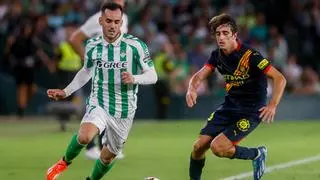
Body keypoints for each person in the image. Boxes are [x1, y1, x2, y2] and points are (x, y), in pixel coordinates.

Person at [46, 2, 157, 180]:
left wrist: (135, 78)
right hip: (99, 101)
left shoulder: (136, 46)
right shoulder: (92, 45)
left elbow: (153, 75)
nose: (112, 25)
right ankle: (62, 163)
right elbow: (86, 71)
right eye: (108, 21)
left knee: (107, 157)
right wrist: (66, 92)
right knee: (84, 136)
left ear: (121, 23)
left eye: (116, 21)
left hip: (124, 109)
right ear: (101, 21)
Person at [186, 13, 286, 180]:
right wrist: (191, 88)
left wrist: (273, 104)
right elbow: (199, 76)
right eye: (218, 34)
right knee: (198, 147)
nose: (221, 37)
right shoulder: (216, 55)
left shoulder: (250, 56)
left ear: (235, 35)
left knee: (218, 148)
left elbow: (279, 78)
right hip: (229, 106)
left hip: (251, 110)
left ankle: (256, 154)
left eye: (225, 33)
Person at [69, 0, 128, 160]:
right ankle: (92, 147)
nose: (120, 2)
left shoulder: (124, 18)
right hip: (100, 72)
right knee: (97, 107)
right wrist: (89, 61)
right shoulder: (97, 18)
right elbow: (75, 38)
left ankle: (105, 146)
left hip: (115, 73)